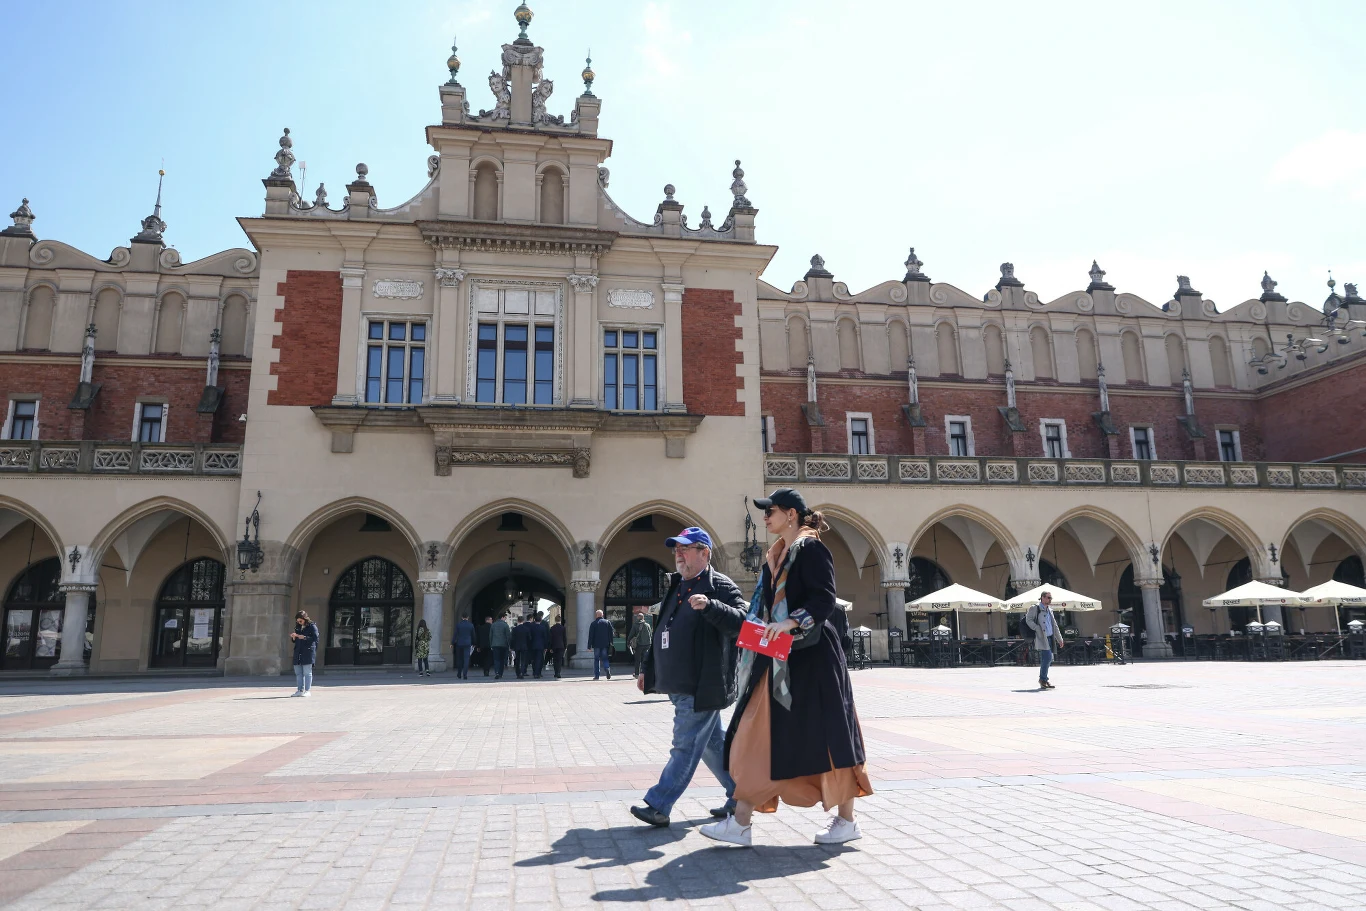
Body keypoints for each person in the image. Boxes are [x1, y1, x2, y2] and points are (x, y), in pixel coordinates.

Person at [701, 488, 872, 847]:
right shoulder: (775, 556)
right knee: (757, 732)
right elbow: (762, 607)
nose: (765, 517)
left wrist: (792, 622)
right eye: (764, 512)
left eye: (771, 511)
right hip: (777, 656)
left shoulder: (810, 549)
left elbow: (824, 598)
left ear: (791, 514)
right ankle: (741, 819)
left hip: (813, 658)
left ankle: (846, 820)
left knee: (829, 736)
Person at [630, 527, 745, 828]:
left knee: (685, 744)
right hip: (677, 684)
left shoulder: (719, 586)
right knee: (711, 744)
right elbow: (660, 632)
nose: (678, 554)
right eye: (676, 549)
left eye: (686, 548)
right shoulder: (676, 585)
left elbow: (745, 624)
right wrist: (646, 667)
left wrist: (712, 607)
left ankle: (659, 804)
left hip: (702, 684)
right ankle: (741, 794)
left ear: (704, 553)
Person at [1025, 590, 1065, 690]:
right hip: (1042, 637)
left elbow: (1054, 625)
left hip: (1050, 637)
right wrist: (1037, 628)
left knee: (1047, 659)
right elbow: (1028, 620)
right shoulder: (1035, 608)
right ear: (1042, 598)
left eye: (1050, 598)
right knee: (1047, 657)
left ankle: (1044, 680)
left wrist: (1060, 639)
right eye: (1048, 597)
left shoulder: (1050, 610)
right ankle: (1043, 679)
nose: (1050, 599)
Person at [289, 610, 319, 697]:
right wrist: (294, 637)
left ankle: (307, 690)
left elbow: (315, 638)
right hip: (298, 651)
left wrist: (305, 637)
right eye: (297, 621)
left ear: (305, 619)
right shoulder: (298, 627)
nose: (299, 623)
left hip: (308, 652)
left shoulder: (312, 626)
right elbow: (295, 640)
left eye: (300, 621)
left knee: (307, 672)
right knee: (298, 673)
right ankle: (300, 690)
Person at [588, 609, 614, 680]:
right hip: (605, 644)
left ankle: (597, 676)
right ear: (602, 615)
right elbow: (611, 633)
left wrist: (589, 646)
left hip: (596, 645)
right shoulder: (607, 622)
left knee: (596, 659)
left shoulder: (593, 623)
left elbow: (591, 635)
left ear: (596, 615)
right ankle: (607, 668)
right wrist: (611, 641)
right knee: (605, 658)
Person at [629, 609, 653, 678]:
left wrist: (628, 642)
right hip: (647, 645)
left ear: (637, 618)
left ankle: (637, 674)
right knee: (644, 659)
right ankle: (645, 673)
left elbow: (631, 634)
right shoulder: (647, 625)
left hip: (639, 645)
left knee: (637, 660)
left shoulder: (635, 625)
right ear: (643, 618)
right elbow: (650, 634)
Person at [489, 612, 511, 680]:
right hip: (503, 645)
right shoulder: (505, 625)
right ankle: (501, 673)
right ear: (502, 617)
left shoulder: (493, 625)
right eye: (505, 618)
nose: (505, 619)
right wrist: (509, 645)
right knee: (502, 660)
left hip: (495, 645)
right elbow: (508, 636)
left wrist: (491, 644)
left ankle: (497, 672)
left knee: (496, 659)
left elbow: (490, 636)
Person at [453, 613, 475, 679]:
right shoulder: (471, 625)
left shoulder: (458, 625)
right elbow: (473, 635)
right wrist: (474, 643)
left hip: (459, 643)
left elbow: (455, 634)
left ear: (462, 617)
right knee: (466, 659)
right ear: (468, 617)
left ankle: (459, 673)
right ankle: (465, 674)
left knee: (459, 659)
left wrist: (452, 642)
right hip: (467, 643)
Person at [530, 611, 550, 678]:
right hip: (541, 646)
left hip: (532, 645)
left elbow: (530, 637)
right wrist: (546, 646)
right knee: (539, 659)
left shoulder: (531, 627)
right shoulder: (543, 627)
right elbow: (546, 637)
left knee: (533, 659)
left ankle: (534, 672)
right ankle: (538, 673)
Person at [549, 614, 567, 678]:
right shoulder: (563, 628)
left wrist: (550, 647)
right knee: (559, 660)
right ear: (560, 620)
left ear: (555, 620)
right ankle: (558, 672)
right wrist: (565, 646)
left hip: (554, 646)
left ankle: (556, 672)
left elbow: (550, 639)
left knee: (555, 660)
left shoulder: (552, 628)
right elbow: (564, 638)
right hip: (561, 646)